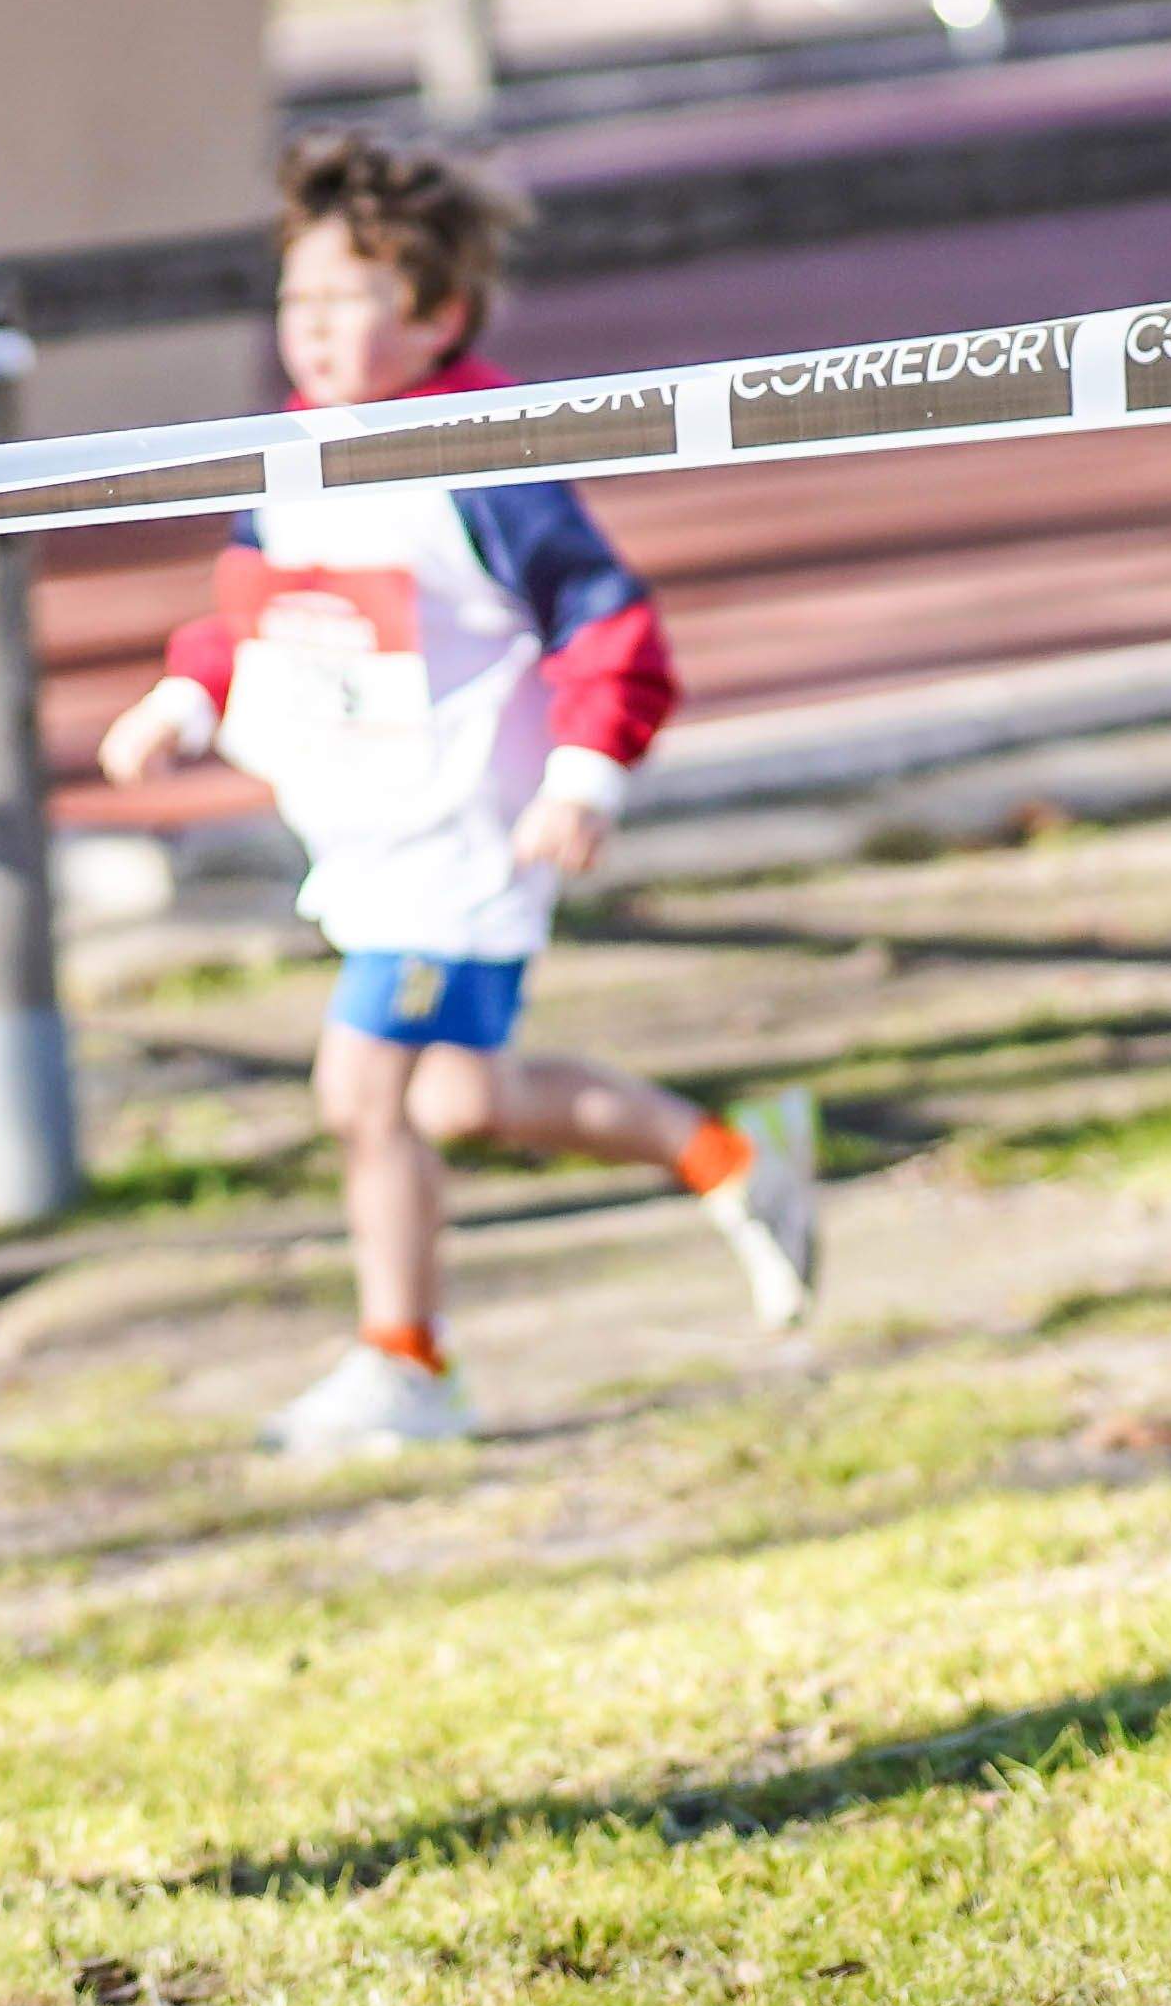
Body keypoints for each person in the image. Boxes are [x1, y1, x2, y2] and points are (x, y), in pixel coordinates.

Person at [99, 128, 819, 1455]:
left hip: (463, 842)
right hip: (362, 837)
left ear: (436, 315)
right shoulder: (291, 453)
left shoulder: (484, 457)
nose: (309, 332)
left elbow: (609, 621)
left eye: (345, 302)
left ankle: (406, 1366)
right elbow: (260, 607)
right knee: (458, 1104)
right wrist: (187, 695)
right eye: (294, 301)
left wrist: (586, 771)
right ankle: (731, 1158)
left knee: (362, 1092)